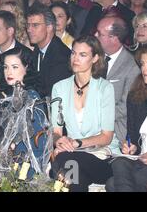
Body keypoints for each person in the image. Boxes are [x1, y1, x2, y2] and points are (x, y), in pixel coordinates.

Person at [51, 35, 119, 192]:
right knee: (74, 176)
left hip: (102, 157)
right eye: (73, 53)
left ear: (95, 58)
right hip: (73, 156)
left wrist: (76, 143)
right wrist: (60, 140)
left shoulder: (105, 88)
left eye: (83, 55)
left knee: (64, 159)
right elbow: (56, 132)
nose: (75, 58)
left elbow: (106, 137)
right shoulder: (59, 88)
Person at [106, 45, 147, 191]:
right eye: (142, 64)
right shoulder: (137, 95)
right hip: (141, 161)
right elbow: (132, 135)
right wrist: (131, 146)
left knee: (112, 184)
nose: (144, 69)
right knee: (119, 162)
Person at [95, 16, 139, 143]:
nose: (95, 35)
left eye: (100, 33)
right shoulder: (93, 58)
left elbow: (125, 107)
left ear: (113, 38)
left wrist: (94, 114)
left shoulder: (132, 66)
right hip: (87, 127)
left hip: (115, 132)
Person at [26, 5, 71, 97]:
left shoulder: (61, 57)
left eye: (35, 25)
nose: (29, 30)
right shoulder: (38, 49)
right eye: (28, 25)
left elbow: (52, 95)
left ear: (49, 27)